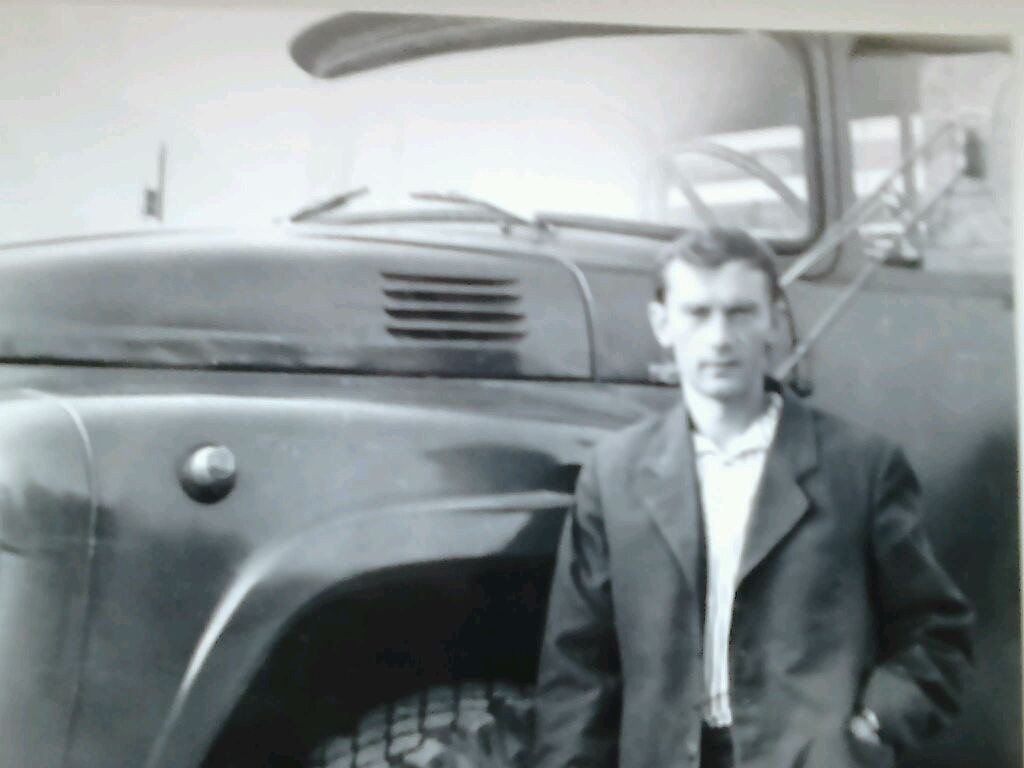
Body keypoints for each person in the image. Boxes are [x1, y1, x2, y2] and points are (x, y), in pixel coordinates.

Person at [531, 228, 973, 768]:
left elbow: (935, 631)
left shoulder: (861, 467)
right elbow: (577, 666)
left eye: (740, 312)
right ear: (662, 324)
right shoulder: (614, 473)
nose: (719, 337)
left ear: (774, 321)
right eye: (697, 313)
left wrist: (870, 727)